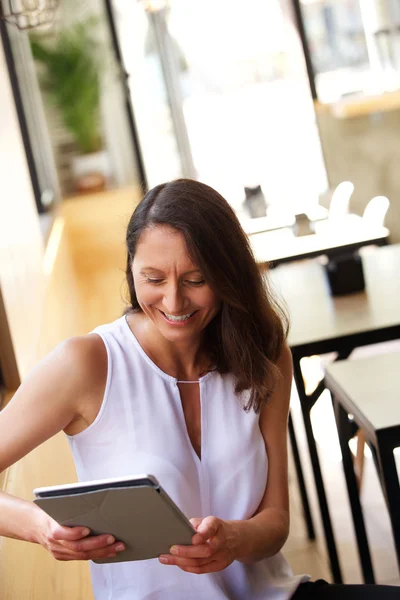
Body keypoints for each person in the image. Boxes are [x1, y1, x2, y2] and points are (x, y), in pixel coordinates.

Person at [0, 179, 397, 600]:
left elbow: (275, 521)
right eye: (153, 278)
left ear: (228, 274)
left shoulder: (262, 352)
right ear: (131, 267)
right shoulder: (87, 364)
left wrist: (235, 540)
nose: (174, 302)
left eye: (195, 280)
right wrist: (42, 528)